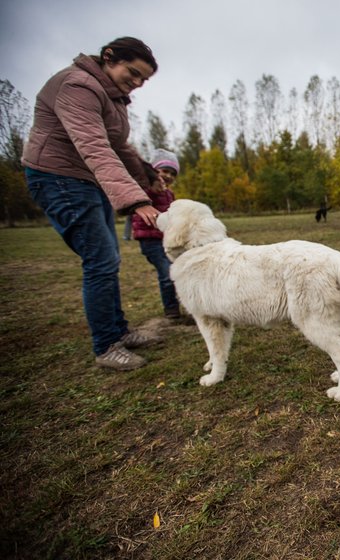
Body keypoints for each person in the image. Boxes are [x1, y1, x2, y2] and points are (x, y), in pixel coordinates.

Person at [22, 37, 162, 370]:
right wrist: (136, 200)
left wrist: (147, 176)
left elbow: (120, 147)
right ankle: (106, 346)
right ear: (108, 56)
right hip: (59, 178)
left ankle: (119, 331)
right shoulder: (77, 86)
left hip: (85, 180)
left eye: (144, 79)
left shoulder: (110, 96)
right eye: (133, 72)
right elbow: (95, 146)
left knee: (108, 260)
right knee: (100, 260)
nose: (138, 83)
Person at [132, 148, 188, 323]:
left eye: (172, 173)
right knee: (167, 274)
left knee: (178, 273)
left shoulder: (169, 194)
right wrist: (153, 187)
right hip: (150, 240)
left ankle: (182, 307)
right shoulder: (145, 189)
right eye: (164, 171)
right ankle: (172, 311)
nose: (168, 176)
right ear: (154, 171)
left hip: (168, 240)